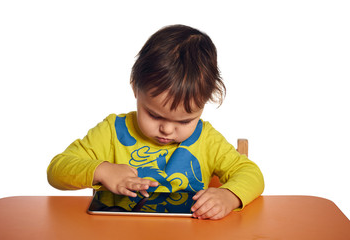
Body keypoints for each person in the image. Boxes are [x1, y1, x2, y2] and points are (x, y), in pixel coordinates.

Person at [47, 24, 264, 220]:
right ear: (135, 87)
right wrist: (101, 170)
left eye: (185, 120)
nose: (167, 129)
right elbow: (57, 169)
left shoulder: (207, 139)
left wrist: (229, 195)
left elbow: (252, 174)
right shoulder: (112, 132)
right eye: (154, 115)